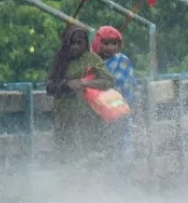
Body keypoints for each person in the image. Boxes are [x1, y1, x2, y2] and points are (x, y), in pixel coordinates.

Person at [45, 25, 116, 163]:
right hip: (65, 117)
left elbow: (108, 81)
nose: (75, 47)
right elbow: (49, 86)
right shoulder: (60, 60)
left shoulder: (92, 59)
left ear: (85, 44)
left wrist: (85, 83)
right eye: (72, 43)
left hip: (88, 117)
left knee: (89, 155)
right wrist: (66, 84)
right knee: (66, 155)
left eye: (79, 43)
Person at [92, 25, 136, 160]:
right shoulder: (91, 60)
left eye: (114, 43)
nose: (110, 47)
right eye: (106, 43)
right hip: (95, 110)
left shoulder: (122, 61)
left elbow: (127, 84)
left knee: (120, 143)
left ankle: (120, 170)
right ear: (98, 43)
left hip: (118, 109)